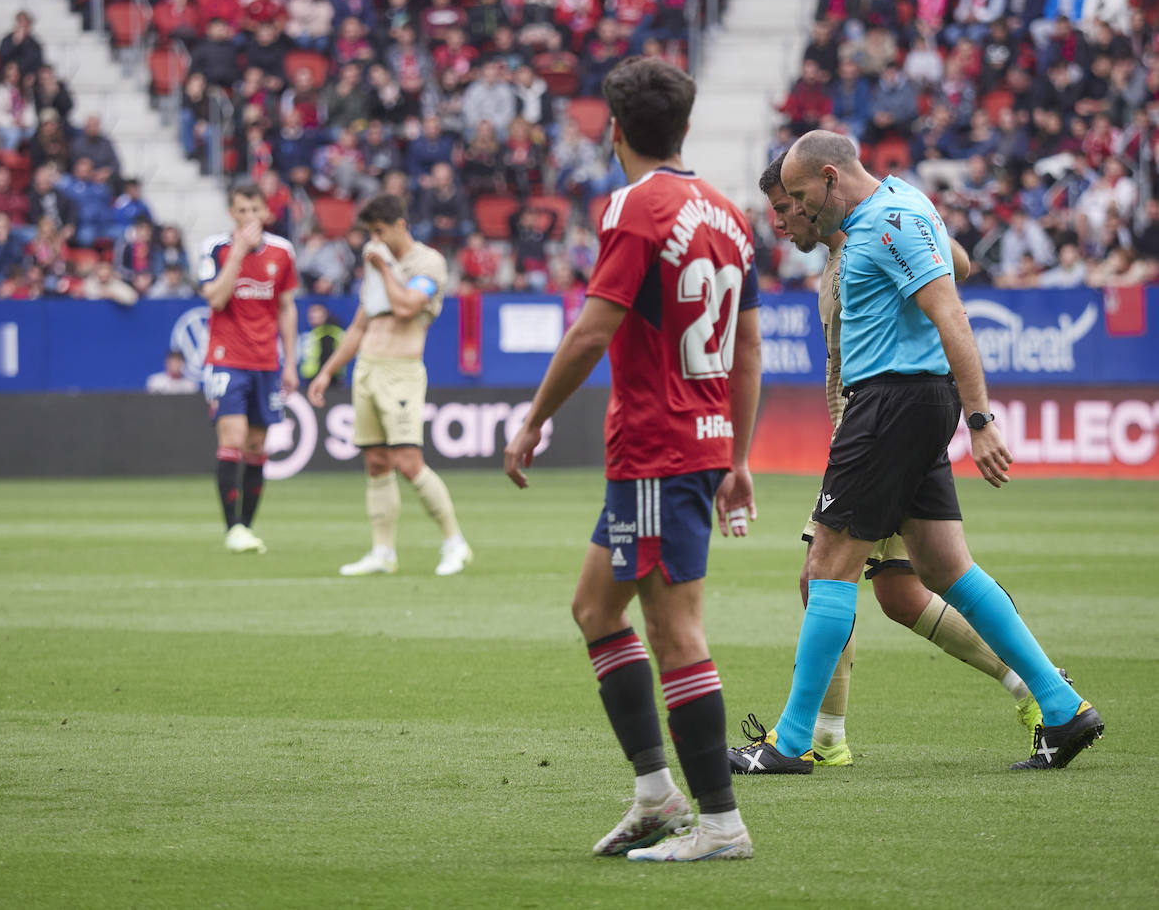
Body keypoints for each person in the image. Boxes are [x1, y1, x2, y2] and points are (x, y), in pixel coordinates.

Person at [731, 130, 1102, 775]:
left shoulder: (887, 222)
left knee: (827, 568)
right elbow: (952, 262)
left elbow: (952, 310)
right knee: (945, 569)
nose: (797, 210)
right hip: (915, 403)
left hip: (887, 404)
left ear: (828, 177)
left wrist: (982, 418)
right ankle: (1060, 704)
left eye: (797, 196)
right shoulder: (908, 205)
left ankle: (794, 744)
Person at [502, 56, 762, 863]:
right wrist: (737, 456)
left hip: (654, 449)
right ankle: (656, 796)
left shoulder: (636, 207)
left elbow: (593, 329)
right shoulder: (727, 215)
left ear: (615, 130)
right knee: (595, 608)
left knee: (675, 628)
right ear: (681, 128)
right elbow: (748, 350)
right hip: (697, 444)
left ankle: (719, 825)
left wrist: (533, 419)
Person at [306, 193, 471, 578]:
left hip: (401, 371)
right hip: (367, 369)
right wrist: (328, 371)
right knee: (376, 463)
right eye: (370, 233)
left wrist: (381, 266)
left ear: (400, 225)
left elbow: (406, 307)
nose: (374, 240)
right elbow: (361, 325)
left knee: (409, 463)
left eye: (379, 231)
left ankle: (454, 542)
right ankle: (383, 552)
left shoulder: (427, 263)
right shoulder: (377, 267)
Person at [199, 181, 300, 554]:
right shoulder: (216, 249)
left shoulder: (282, 252)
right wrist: (238, 254)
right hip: (226, 359)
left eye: (254, 209)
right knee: (234, 438)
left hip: (265, 362)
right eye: (241, 210)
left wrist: (290, 362)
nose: (249, 217)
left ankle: (246, 527)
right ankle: (232, 528)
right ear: (232, 213)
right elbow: (215, 297)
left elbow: (287, 307)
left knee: (257, 446)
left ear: (266, 212)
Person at [299, 302, 344, 389]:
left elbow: (327, 358)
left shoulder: (328, 334)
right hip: (316, 379)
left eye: (316, 312)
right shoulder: (317, 332)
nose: (312, 316)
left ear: (325, 314)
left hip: (326, 382)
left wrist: (324, 376)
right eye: (311, 312)